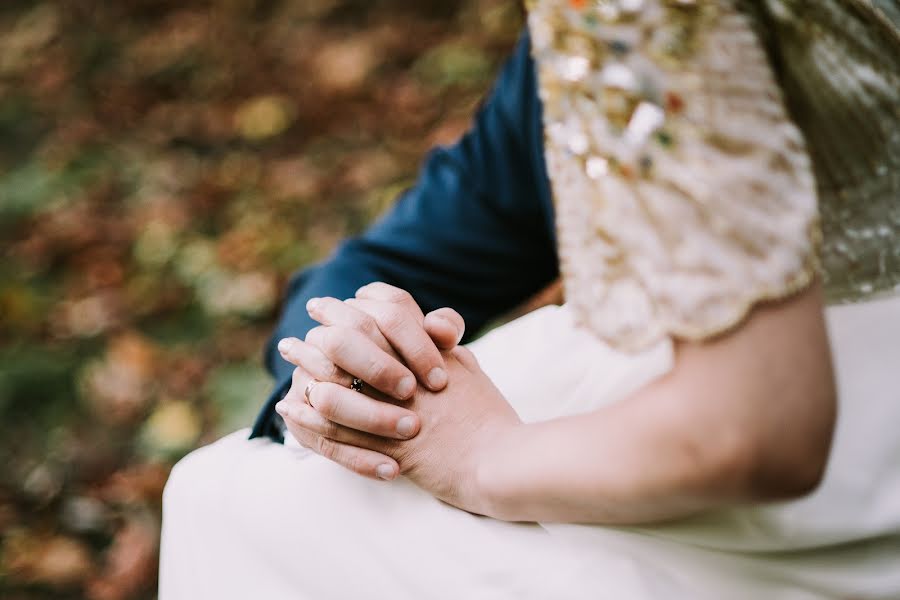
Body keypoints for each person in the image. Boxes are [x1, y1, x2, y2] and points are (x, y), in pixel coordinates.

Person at [159, 1, 900, 598]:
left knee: (230, 508)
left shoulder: (623, 16)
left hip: (803, 471)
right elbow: (424, 237)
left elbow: (757, 430)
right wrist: (345, 351)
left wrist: (484, 455)